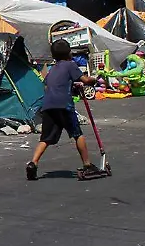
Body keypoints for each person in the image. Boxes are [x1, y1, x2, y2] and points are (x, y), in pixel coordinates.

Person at [27, 40, 99, 180]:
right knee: (77, 134)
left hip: (48, 106)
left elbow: (48, 86)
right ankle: (87, 164)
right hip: (64, 105)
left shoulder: (53, 69)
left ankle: (33, 163)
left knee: (46, 138)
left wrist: (70, 87)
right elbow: (85, 80)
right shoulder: (70, 65)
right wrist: (94, 80)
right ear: (69, 53)